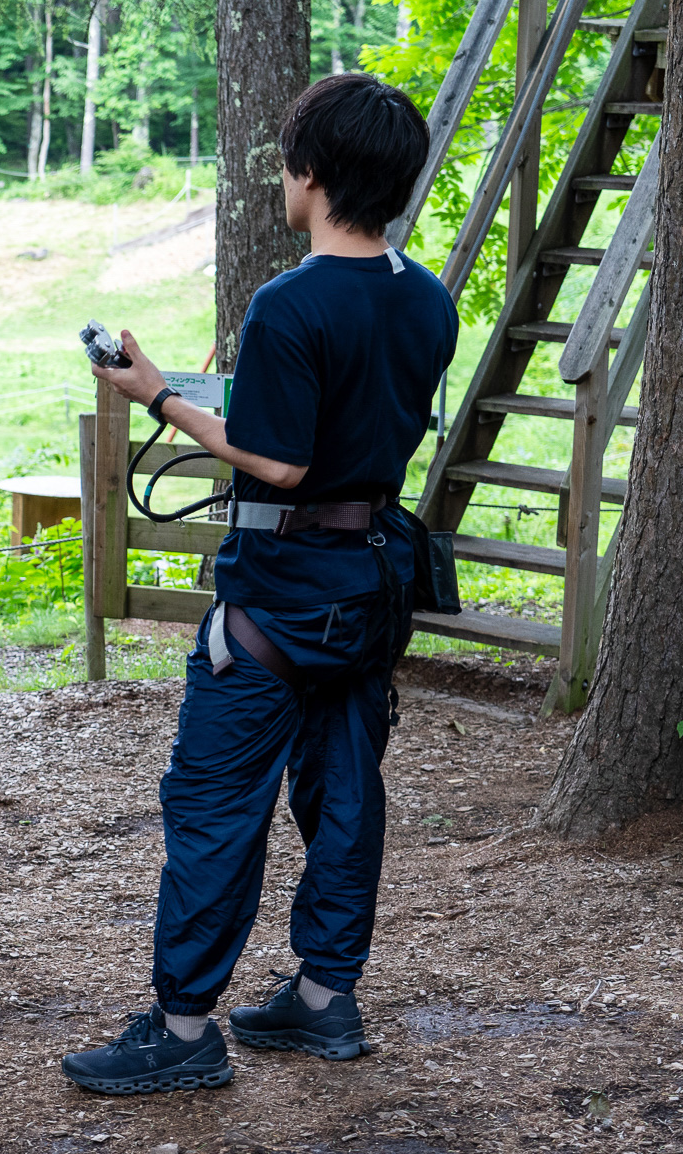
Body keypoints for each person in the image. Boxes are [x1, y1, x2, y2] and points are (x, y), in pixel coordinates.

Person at [61, 73, 457, 1095]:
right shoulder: (427, 298)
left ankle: (184, 1026)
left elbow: (277, 461)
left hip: (279, 594)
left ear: (313, 175)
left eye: (288, 164)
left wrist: (156, 394)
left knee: (215, 802)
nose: (284, 180)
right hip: (371, 586)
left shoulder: (287, 303)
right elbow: (348, 422)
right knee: (346, 794)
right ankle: (325, 1000)